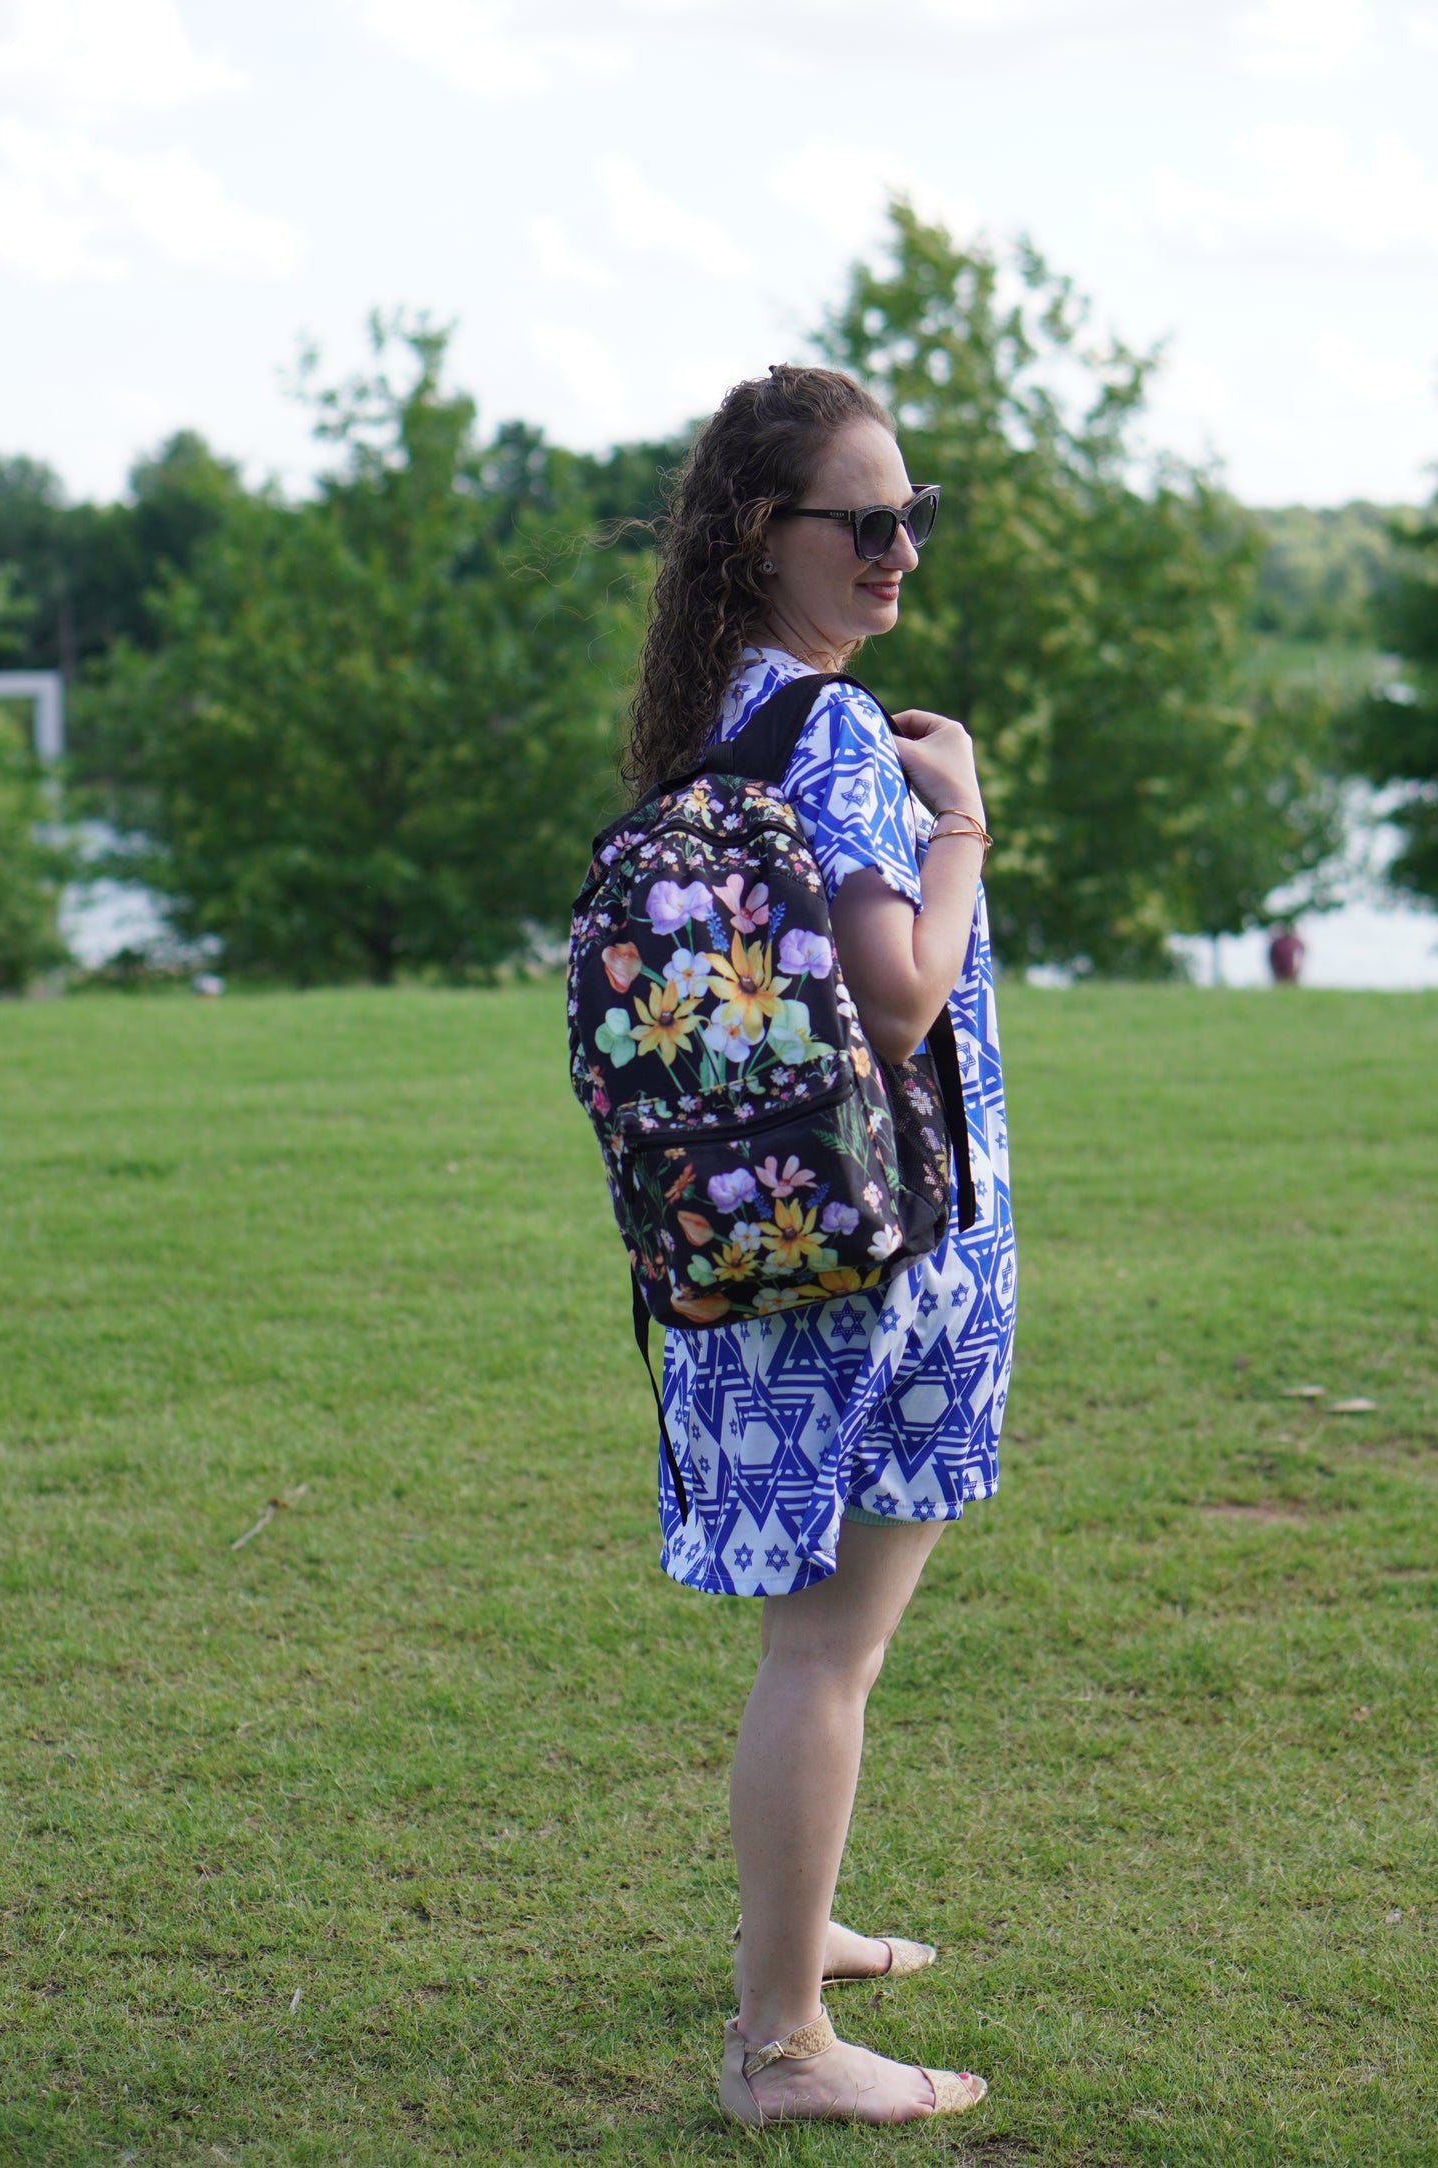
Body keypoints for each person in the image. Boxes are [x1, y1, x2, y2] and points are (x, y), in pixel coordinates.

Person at [622, 365, 1017, 2126]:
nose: (897, 552)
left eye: (909, 517)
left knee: (818, 1643)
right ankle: (780, 2044)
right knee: (825, 1652)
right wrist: (961, 823)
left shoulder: (723, 708)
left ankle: (798, 1935)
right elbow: (901, 993)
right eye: (862, 523)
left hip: (766, 1244)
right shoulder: (839, 739)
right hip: (880, 1255)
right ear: (754, 533)